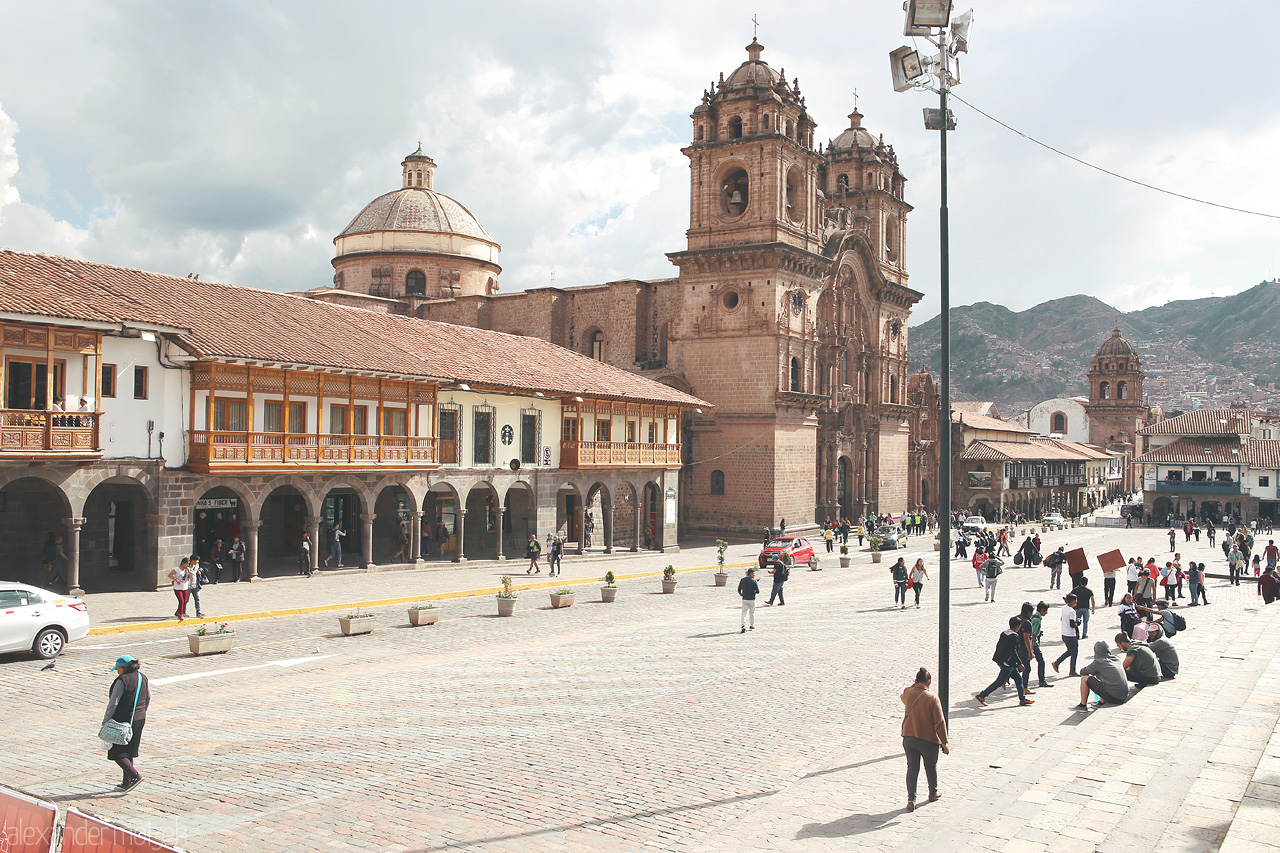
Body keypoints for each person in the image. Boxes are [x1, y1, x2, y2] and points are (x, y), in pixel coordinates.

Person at [901, 667, 948, 812]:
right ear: (929, 682)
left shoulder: (908, 693)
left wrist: (914, 685)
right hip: (928, 739)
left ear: (915, 681)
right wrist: (944, 742)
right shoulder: (932, 697)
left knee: (912, 768)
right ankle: (933, 792)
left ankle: (911, 799)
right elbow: (939, 722)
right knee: (930, 766)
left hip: (909, 737)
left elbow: (903, 694)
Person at [103, 655, 150, 792]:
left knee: (117, 752)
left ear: (122, 668)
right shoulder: (142, 677)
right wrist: (141, 712)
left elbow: (114, 703)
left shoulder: (122, 680)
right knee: (129, 750)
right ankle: (127, 782)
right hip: (139, 718)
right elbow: (148, 698)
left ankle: (135, 775)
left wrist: (106, 720)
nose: (117, 671)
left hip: (122, 720)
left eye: (117, 668)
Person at [974, 617, 1033, 707]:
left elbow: (999, 646)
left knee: (1018, 679)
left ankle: (1022, 699)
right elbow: (1014, 651)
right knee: (999, 682)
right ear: (1018, 626)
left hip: (1008, 663)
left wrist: (998, 660)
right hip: (1008, 664)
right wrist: (1020, 663)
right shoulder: (1014, 636)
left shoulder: (1005, 633)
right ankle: (982, 695)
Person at [1074, 640, 1129, 711]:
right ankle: (1101, 701)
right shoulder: (1116, 659)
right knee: (1106, 679)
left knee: (1085, 678)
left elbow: (1083, 671)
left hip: (1114, 697)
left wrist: (1094, 671)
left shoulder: (1099, 662)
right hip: (1124, 696)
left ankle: (1082, 705)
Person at [1052, 594, 1081, 677]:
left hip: (1064, 634)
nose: (1076, 602)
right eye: (1075, 600)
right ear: (1072, 601)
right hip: (1071, 635)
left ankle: (1057, 662)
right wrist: (1078, 623)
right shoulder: (1072, 611)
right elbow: (1072, 624)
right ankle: (1072, 670)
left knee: (1070, 651)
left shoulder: (1064, 608)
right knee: (1074, 652)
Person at [1069, 575, 1096, 639]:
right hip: (1086, 608)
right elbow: (1092, 600)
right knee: (1085, 622)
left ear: (1080, 582)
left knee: (1077, 621)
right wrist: (1093, 609)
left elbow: (1069, 595)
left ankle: (1077, 634)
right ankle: (1084, 634)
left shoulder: (1076, 590)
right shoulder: (1089, 591)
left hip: (1077, 608)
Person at [167, 557, 191, 621]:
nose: (187, 565)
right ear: (183, 563)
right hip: (178, 587)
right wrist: (175, 579)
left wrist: (189, 583)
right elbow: (170, 575)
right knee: (181, 601)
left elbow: (189, 576)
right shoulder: (177, 569)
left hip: (185, 587)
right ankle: (181, 614)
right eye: (186, 564)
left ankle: (178, 612)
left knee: (185, 601)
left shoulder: (187, 569)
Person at [738, 567, 759, 634]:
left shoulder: (742, 580)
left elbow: (739, 589)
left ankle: (743, 625)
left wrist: (741, 594)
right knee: (752, 613)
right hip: (752, 599)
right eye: (753, 573)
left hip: (745, 599)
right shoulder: (754, 581)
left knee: (744, 612)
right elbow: (758, 591)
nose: (754, 574)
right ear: (750, 574)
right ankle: (751, 626)